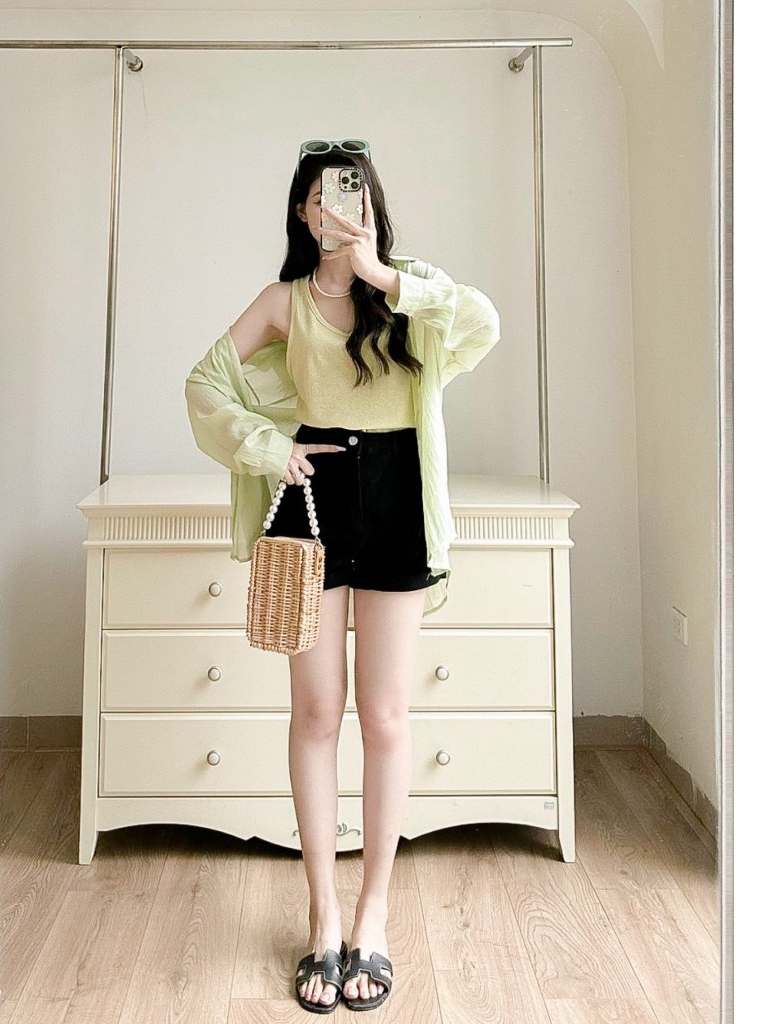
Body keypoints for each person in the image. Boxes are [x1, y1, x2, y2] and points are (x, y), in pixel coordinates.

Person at [184, 139, 500, 1012]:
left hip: (397, 501)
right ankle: (322, 914)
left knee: (386, 716)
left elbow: (482, 324)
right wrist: (267, 447)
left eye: (352, 193)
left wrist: (383, 277)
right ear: (303, 211)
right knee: (317, 713)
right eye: (323, 196)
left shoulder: (412, 291)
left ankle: (373, 916)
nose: (338, 207)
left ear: (370, 205)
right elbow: (205, 385)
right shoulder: (282, 302)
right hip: (314, 505)